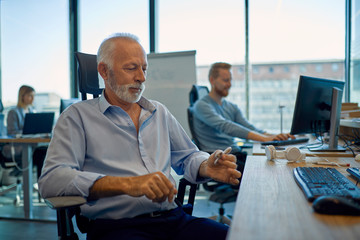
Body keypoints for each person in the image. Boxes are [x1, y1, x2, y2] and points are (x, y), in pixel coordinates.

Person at [38, 33, 241, 240]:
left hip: (174, 220)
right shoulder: (77, 117)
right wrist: (129, 184)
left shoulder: (159, 112)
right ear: (104, 71)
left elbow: (188, 156)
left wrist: (205, 166)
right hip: (118, 228)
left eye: (144, 69)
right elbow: (52, 180)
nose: (141, 78)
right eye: (131, 68)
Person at [193, 62, 294, 153]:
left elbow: (249, 128)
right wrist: (264, 139)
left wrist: (275, 136)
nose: (229, 84)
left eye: (230, 80)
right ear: (212, 80)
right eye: (225, 80)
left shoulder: (231, 107)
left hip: (235, 153)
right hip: (218, 159)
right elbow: (226, 126)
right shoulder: (202, 105)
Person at [1, 85, 46, 179]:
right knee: (42, 154)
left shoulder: (32, 111)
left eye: (33, 96)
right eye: (30, 95)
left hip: (31, 146)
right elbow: (12, 132)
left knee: (44, 152)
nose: (32, 98)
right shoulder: (13, 112)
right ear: (22, 96)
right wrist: (28, 135)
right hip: (17, 147)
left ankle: (43, 186)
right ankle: (41, 188)